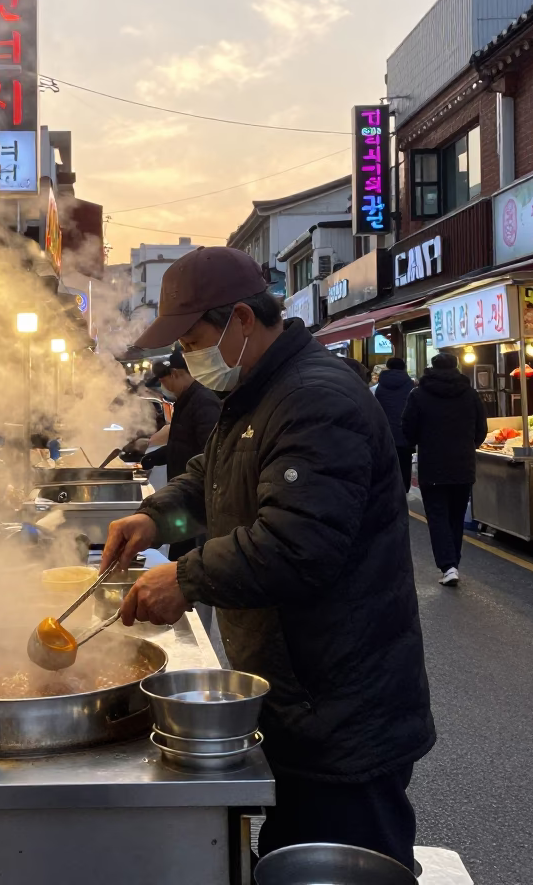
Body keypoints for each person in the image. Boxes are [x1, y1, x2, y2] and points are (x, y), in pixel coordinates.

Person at [101, 246, 434, 873]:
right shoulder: (257, 391)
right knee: (288, 859)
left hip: (340, 707)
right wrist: (155, 517)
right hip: (295, 695)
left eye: (195, 337)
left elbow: (298, 545)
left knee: (344, 864)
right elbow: (212, 480)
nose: (191, 357)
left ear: (242, 321)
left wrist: (188, 576)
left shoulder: (314, 397)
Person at [401, 352, 487, 587]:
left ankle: (448, 566)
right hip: (463, 463)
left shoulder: (418, 394)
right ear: (456, 367)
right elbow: (481, 430)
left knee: (437, 516)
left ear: (432, 367)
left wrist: (420, 443)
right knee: (456, 517)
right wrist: (470, 445)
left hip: (433, 463)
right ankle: (452, 564)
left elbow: (407, 428)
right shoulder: (470, 394)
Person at [140, 351, 221, 560]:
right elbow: (181, 444)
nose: (163, 387)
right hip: (183, 499)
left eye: (164, 380)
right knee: (177, 554)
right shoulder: (185, 400)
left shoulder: (203, 402)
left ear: (175, 374)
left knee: (187, 558)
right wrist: (151, 458)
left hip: (196, 502)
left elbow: (209, 454)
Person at [374, 357, 417, 492]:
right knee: (404, 465)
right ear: (404, 368)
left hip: (385, 434)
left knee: (387, 466)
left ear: (387, 367)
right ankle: (403, 492)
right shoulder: (411, 385)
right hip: (404, 434)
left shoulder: (378, 387)